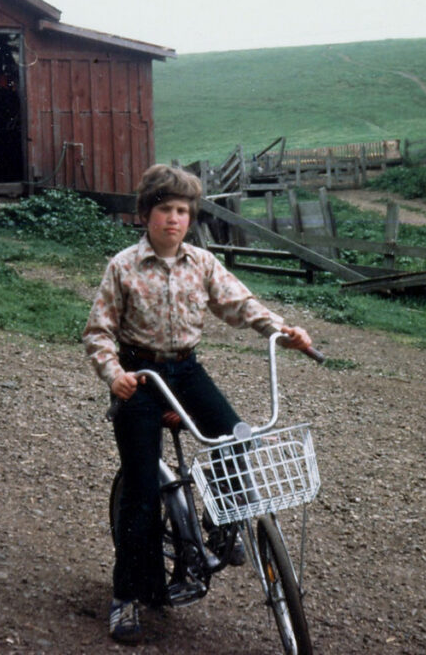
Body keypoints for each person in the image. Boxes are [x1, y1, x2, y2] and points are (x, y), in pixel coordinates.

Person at [82, 164, 313, 644]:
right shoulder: (123, 266)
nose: (174, 219)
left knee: (237, 437)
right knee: (142, 491)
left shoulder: (202, 263)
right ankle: (127, 596)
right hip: (140, 376)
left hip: (186, 370)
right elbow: (98, 331)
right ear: (146, 214)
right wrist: (114, 374)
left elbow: (240, 305)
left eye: (183, 211)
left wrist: (282, 330)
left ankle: (220, 524)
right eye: (165, 209)